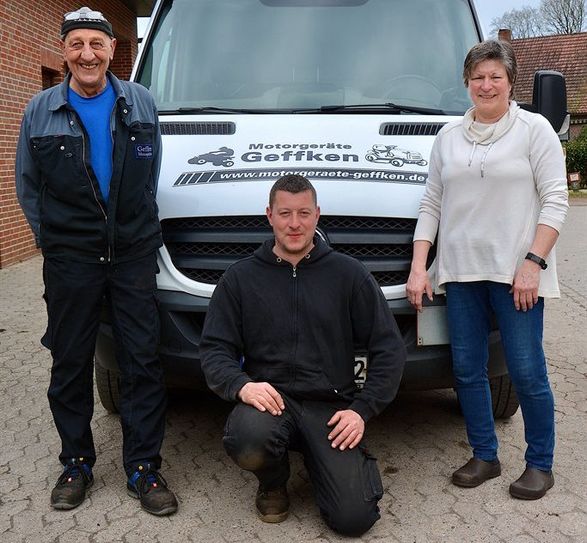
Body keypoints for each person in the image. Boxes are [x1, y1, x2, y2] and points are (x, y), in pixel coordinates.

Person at [15, 7, 177, 515]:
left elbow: (150, 180)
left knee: (142, 361)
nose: (87, 54)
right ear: (64, 51)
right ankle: (76, 462)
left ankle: (143, 467)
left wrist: (132, 229)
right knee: (69, 362)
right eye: (76, 43)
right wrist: (57, 242)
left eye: (97, 44)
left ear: (111, 49)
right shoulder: (40, 110)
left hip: (131, 255)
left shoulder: (142, 103)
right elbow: (27, 188)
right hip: (72, 260)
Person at [200, 175, 406, 536]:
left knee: (354, 521)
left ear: (317, 215)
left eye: (303, 213)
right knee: (248, 439)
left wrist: (362, 410)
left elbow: (388, 346)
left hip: (331, 408)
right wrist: (242, 386)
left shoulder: (349, 274)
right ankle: (273, 482)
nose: (294, 224)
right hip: (271, 403)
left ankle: (325, 464)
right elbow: (215, 349)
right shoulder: (240, 278)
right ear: (269, 215)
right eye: (285, 213)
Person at [406, 40, 568, 500]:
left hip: (516, 275)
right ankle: (485, 455)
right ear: (466, 83)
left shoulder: (534, 131)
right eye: (478, 77)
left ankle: (540, 463)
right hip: (460, 274)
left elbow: (556, 201)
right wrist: (421, 267)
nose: (486, 84)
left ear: (510, 81)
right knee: (467, 370)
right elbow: (431, 204)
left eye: (495, 75)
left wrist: (534, 264)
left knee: (525, 370)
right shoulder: (448, 137)